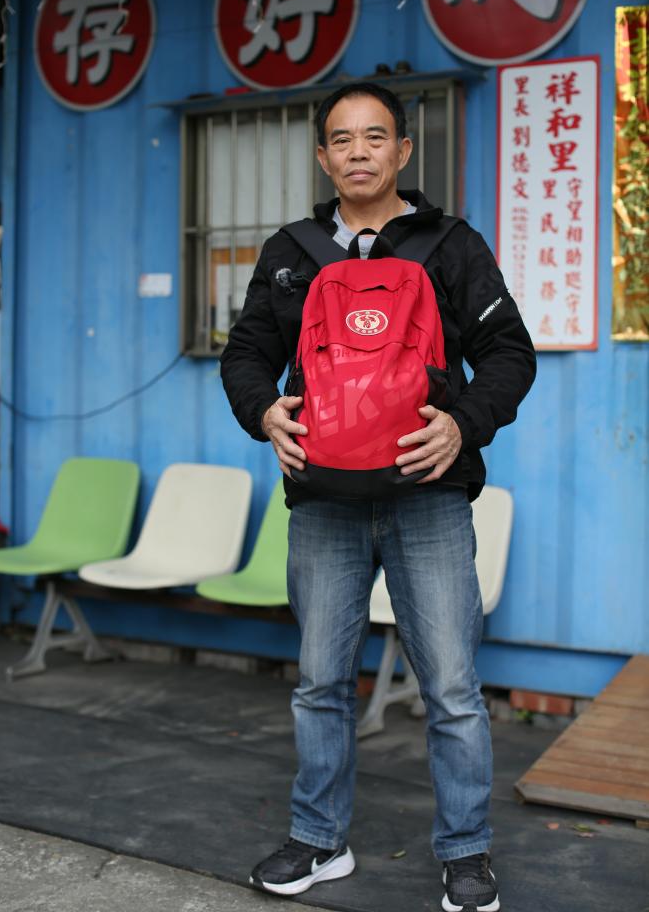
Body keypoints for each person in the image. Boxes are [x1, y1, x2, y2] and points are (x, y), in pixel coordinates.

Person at [220, 82, 536, 912]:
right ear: (323, 157)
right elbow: (245, 353)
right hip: (322, 499)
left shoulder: (450, 246)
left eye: (374, 136)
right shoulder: (290, 252)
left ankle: (465, 852)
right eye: (340, 139)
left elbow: (509, 352)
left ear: (402, 149)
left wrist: (461, 425)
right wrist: (263, 412)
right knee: (320, 681)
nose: (357, 151)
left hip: (426, 496)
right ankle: (318, 840)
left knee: (451, 688)